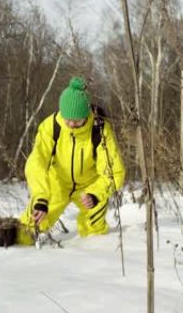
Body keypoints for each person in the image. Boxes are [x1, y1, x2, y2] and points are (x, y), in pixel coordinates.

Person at [17, 76, 126, 245]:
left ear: (86, 115)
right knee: (28, 228)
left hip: (88, 187)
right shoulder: (50, 126)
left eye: (76, 120)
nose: (71, 124)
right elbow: (36, 163)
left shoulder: (100, 129)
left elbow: (114, 171)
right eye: (67, 119)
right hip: (57, 184)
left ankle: (88, 260)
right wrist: (41, 197)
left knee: (95, 232)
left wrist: (95, 194)